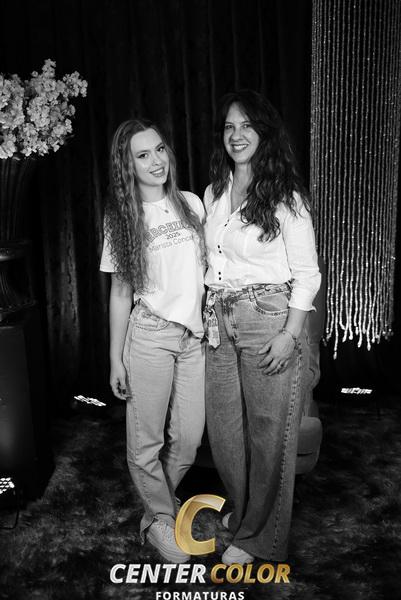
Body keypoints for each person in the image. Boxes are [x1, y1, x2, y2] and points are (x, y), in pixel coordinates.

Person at [203, 90, 321, 565]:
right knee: (226, 434)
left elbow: (307, 275)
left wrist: (290, 334)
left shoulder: (286, 198)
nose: (237, 135)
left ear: (264, 133)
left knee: (269, 435)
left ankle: (259, 539)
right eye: (230, 127)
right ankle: (248, 514)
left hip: (267, 318)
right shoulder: (214, 193)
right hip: (218, 319)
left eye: (247, 126)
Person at [100, 118, 206, 564]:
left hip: (194, 337)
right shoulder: (122, 220)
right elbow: (120, 294)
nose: (156, 161)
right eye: (142, 155)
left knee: (189, 438)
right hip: (149, 335)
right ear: (128, 166)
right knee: (146, 443)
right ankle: (162, 519)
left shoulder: (191, 204)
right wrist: (115, 359)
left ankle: (153, 509)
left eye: (159, 149)